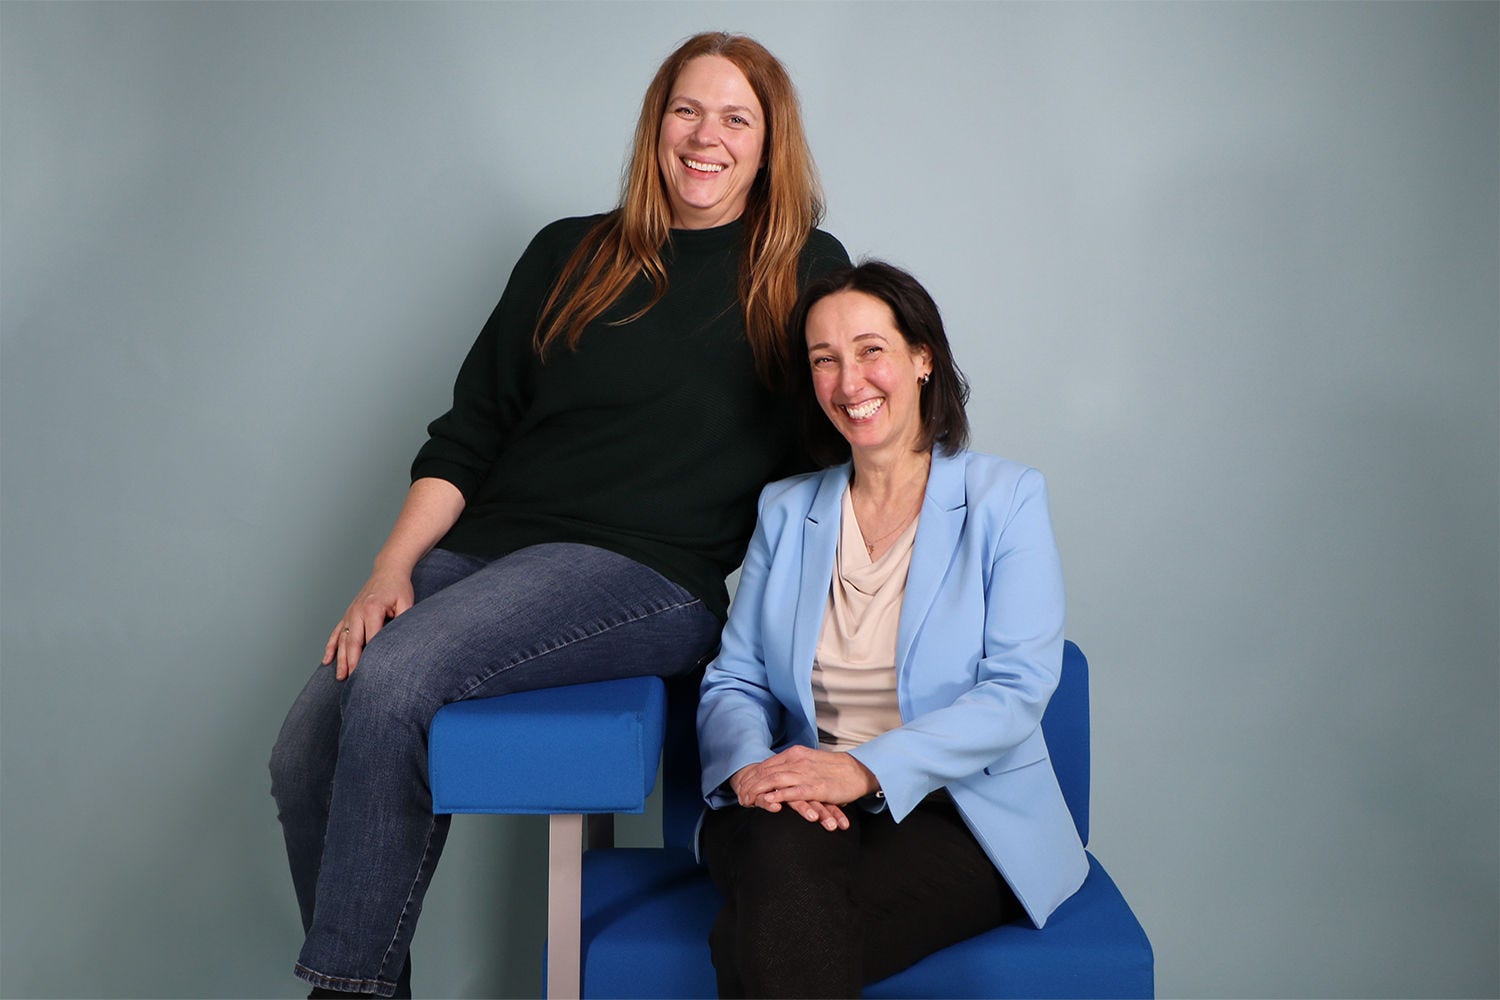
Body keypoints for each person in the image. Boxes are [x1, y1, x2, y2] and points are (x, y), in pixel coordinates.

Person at [269, 32, 848, 998]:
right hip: (486, 551)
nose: (705, 136)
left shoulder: (802, 268)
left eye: (735, 118)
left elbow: (837, 440)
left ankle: (343, 993)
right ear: (656, 126)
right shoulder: (568, 251)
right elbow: (470, 433)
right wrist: (389, 568)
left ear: (768, 144)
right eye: (686, 111)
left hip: (650, 573)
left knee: (399, 676)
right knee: (305, 751)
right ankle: (376, 984)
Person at [696, 261, 1089, 997]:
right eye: (825, 360)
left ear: (921, 358)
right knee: (783, 861)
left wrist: (864, 770)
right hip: (798, 804)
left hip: (958, 814)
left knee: (756, 933)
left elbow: (1017, 689)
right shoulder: (785, 509)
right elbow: (736, 679)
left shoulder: (1007, 498)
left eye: (871, 350)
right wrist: (753, 770)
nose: (850, 383)